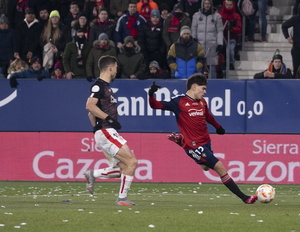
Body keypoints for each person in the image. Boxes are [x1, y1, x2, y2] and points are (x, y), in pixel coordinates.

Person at [148, 74, 258, 204]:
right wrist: (151, 94)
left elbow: (208, 116)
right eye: (203, 88)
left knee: (205, 168)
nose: (205, 92)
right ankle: (245, 198)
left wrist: (218, 127)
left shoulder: (202, 102)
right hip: (193, 145)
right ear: (194, 87)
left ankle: (181, 141)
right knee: (220, 167)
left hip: (206, 141)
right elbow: (155, 105)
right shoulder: (179, 101)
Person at [84, 55, 138, 206]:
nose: (116, 71)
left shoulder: (106, 87)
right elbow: (90, 106)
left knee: (123, 168)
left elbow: (91, 114)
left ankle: (92, 174)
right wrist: (108, 120)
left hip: (105, 132)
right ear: (111, 68)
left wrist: (97, 129)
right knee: (132, 162)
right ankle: (121, 199)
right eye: (116, 68)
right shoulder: (99, 86)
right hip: (107, 131)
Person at [191, 0, 223, 79]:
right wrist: (193, 39)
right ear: (202, 4)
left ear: (211, 4)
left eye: (208, 3)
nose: (207, 5)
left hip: (212, 44)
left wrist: (220, 43)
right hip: (199, 44)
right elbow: (193, 29)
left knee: (211, 65)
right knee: (199, 64)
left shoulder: (217, 16)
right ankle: (199, 82)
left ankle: (213, 83)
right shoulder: (196, 16)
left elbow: (219, 31)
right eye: (205, 3)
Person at [218, 0, 242, 71]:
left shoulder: (236, 15)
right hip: (220, 38)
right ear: (224, 5)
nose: (228, 6)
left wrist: (232, 28)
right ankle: (221, 65)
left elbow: (239, 28)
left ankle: (231, 63)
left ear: (233, 5)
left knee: (230, 50)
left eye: (230, 5)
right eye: (227, 5)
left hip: (231, 38)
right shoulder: (219, 14)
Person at [0, 14, 14, 79]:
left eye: (5, 23)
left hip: (9, 59)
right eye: (2, 24)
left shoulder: (12, 32)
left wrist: (11, 58)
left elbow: (14, 45)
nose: (4, 25)